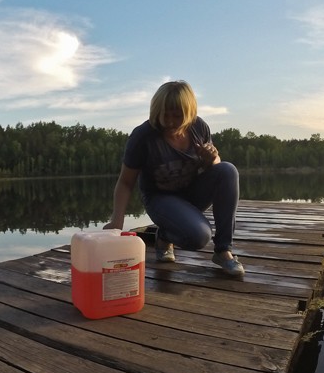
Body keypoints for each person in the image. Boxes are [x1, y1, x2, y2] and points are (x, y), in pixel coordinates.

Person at [104, 80, 245, 277]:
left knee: (228, 170)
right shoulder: (143, 136)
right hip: (160, 199)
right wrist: (117, 220)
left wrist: (211, 159)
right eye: (165, 115)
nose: (169, 121)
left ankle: (223, 251)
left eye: (177, 115)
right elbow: (126, 182)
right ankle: (164, 235)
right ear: (156, 111)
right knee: (198, 236)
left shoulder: (199, 127)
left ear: (189, 113)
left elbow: (216, 166)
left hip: (191, 193)